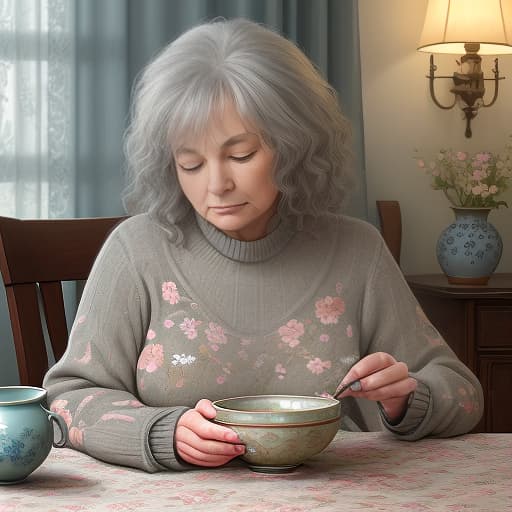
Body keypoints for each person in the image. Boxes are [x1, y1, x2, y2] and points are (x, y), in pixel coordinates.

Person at [44, 18, 483, 472]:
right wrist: (161, 431)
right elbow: (68, 397)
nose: (217, 185)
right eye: (190, 163)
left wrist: (405, 397)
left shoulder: (356, 251)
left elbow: (464, 394)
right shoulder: (136, 250)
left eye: (241, 155)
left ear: (294, 145)